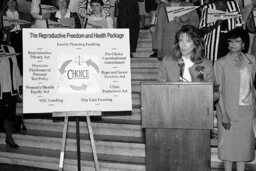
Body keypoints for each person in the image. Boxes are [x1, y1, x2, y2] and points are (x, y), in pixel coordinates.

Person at [214, 28, 255, 171]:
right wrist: (224, 115)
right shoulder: (220, 63)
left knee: (243, 148)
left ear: (244, 44)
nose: (233, 44)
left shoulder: (251, 60)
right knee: (228, 149)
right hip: (228, 111)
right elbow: (217, 91)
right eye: (231, 41)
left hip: (247, 111)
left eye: (237, 41)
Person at [0, 30, 22, 148]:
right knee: (4, 115)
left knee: (9, 115)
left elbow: (16, 68)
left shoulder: (10, 49)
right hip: (1, 91)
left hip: (11, 89)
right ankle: (9, 138)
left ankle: (9, 138)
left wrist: (19, 86)